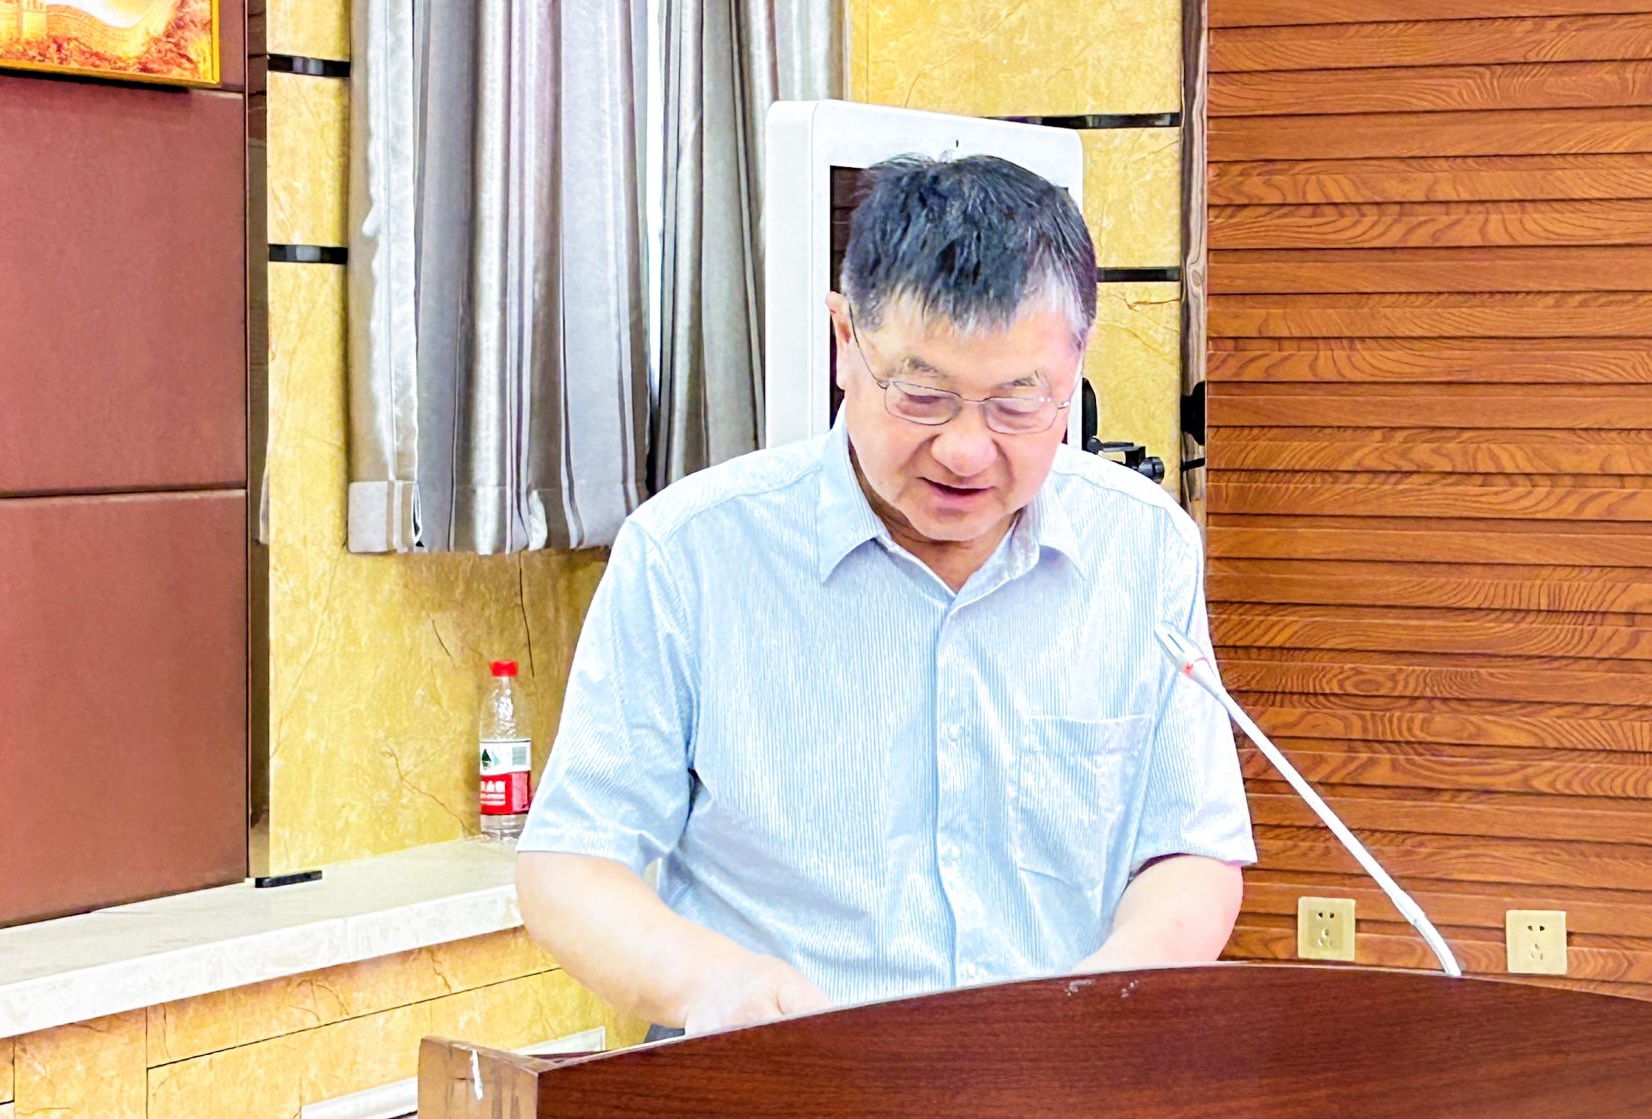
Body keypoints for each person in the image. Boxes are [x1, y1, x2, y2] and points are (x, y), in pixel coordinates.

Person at [514, 153, 1254, 1039]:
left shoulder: (1142, 547)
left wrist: (1096, 1007)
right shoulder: (690, 554)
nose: (965, 451)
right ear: (844, 340)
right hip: (776, 1087)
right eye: (923, 394)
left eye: (1018, 403)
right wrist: (716, 987)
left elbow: (1190, 848)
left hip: (1050, 1089)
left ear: (1076, 363)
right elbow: (569, 864)